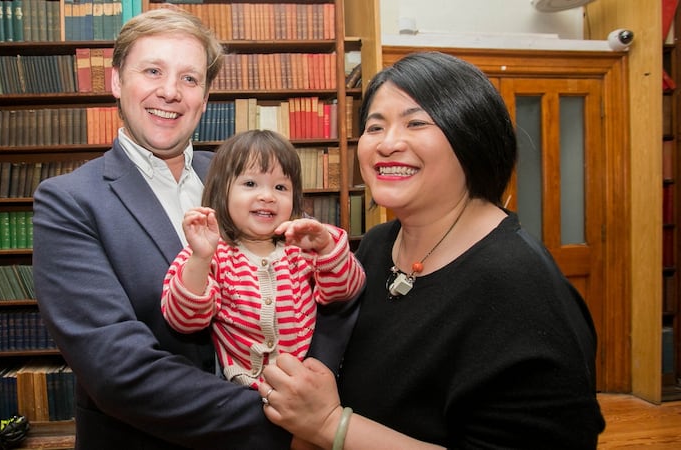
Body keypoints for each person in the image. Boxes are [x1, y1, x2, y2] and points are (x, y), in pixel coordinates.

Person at [31, 8, 357, 449]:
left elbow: (320, 292)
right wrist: (295, 424)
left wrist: (315, 388)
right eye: (152, 71)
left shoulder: (249, 179)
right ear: (115, 81)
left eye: (189, 79)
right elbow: (117, 369)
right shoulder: (69, 200)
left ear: (204, 97)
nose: (170, 92)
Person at [258, 51, 606, 449]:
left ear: (472, 136)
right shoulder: (375, 246)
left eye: (417, 122)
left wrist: (329, 425)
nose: (387, 144)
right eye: (375, 127)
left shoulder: (520, 288)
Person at [161, 129, 366, 389]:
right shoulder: (210, 253)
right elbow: (183, 320)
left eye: (281, 187)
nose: (267, 196)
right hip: (239, 393)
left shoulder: (302, 246)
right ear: (221, 191)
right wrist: (200, 259)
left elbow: (345, 290)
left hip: (307, 388)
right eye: (250, 184)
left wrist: (326, 248)